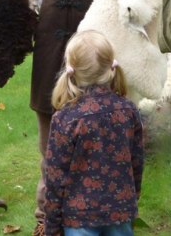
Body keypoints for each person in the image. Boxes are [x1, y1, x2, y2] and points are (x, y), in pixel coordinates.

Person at [27, 0, 144, 234]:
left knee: (107, 151)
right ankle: (47, 221)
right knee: (51, 149)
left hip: (101, 61)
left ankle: (113, 218)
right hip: (52, 56)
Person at [44, 30, 144, 236]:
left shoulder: (65, 118)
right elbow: (137, 163)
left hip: (79, 219)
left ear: (72, 68)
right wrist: (132, 202)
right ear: (110, 66)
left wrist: (52, 226)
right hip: (120, 212)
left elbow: (55, 177)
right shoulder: (128, 110)